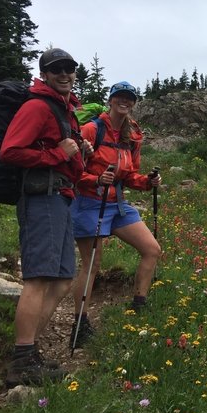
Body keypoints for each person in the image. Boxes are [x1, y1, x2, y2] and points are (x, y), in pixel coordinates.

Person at [0, 47, 91, 387]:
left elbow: (65, 157)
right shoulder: (37, 106)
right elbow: (10, 150)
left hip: (61, 197)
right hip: (42, 198)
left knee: (64, 277)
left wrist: (78, 151)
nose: (65, 74)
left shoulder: (65, 111)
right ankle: (22, 359)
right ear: (45, 74)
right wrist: (58, 153)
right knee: (38, 277)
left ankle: (27, 351)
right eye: (57, 69)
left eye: (69, 68)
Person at [69, 81, 162, 348]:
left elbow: (129, 174)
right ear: (110, 100)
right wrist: (96, 179)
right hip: (89, 202)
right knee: (92, 266)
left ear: (133, 103)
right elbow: (73, 171)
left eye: (129, 98)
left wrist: (147, 182)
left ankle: (138, 305)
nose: (125, 101)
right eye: (120, 97)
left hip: (117, 204)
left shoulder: (131, 134)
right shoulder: (92, 129)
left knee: (152, 249)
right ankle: (80, 323)